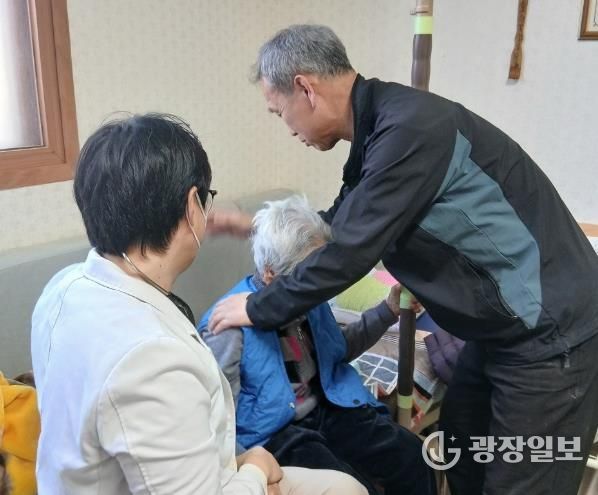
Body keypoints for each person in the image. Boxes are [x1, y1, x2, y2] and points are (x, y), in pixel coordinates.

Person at [207, 25, 598, 495]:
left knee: (524, 481)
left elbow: (349, 252)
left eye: (279, 112)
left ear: (305, 88)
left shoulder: (411, 130)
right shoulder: (379, 132)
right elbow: (341, 225)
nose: (288, 129)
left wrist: (257, 307)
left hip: (549, 333)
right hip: (500, 332)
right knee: (462, 441)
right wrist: (255, 226)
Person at [30, 114, 367, 495]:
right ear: (194, 205)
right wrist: (255, 470)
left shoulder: (63, 288)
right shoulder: (151, 359)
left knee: (345, 487)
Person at [199, 196, 435, 495]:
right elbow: (219, 415)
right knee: (355, 488)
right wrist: (246, 472)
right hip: (276, 432)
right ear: (271, 273)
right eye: (308, 276)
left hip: (329, 405)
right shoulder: (227, 326)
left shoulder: (310, 296)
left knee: (412, 456)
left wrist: (387, 310)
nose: (317, 285)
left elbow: (337, 351)